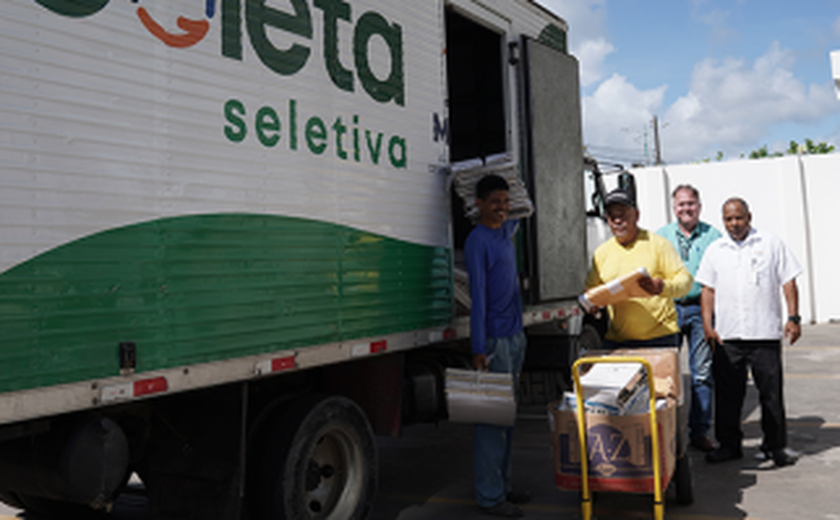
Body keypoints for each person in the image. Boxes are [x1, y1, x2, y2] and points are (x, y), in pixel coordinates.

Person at [695, 197, 802, 467]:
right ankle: (730, 445)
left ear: (749, 217)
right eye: (728, 219)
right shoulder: (715, 249)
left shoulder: (770, 243)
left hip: (764, 334)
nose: (734, 224)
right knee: (729, 396)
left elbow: (788, 281)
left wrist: (793, 317)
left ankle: (775, 447)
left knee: (771, 395)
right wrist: (708, 326)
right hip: (728, 336)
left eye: (738, 218)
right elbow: (707, 290)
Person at [464, 174, 530, 517]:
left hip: (515, 339)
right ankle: (489, 497)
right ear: (478, 205)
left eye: (505, 201)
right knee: (491, 424)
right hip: (492, 343)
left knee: (508, 420)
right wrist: (479, 348)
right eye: (494, 201)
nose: (502, 207)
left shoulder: (505, 232)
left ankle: (502, 487)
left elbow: (526, 207)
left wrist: (513, 183)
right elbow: (477, 299)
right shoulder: (478, 241)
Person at [656, 185, 722, 453]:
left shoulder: (713, 236)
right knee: (666, 375)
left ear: (699, 205)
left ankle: (699, 432)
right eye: (681, 204)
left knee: (702, 373)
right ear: (674, 208)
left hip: (700, 309)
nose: (686, 208)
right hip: (669, 309)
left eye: (691, 203)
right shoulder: (661, 237)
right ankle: (667, 431)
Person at [584, 188, 693, 348]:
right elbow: (591, 290)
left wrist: (662, 287)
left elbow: (685, 281)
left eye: (622, 215)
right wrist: (591, 304)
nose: (617, 221)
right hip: (618, 340)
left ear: (636, 215)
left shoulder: (658, 244)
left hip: (660, 338)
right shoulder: (602, 253)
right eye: (612, 216)